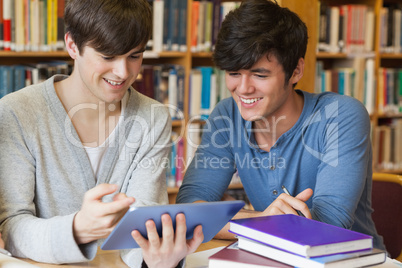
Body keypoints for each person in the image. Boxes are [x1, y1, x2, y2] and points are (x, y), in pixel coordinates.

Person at [0, 0, 202, 267]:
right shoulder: (16, 113)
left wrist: (156, 260)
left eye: (135, 56)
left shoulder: (153, 117)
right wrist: (77, 229)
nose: (123, 72)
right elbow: (11, 227)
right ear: (72, 45)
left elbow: (143, 222)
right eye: (107, 56)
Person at [176, 0, 385, 251]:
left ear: (296, 71)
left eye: (259, 75)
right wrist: (263, 220)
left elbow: (328, 225)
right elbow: (188, 209)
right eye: (233, 73)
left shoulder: (340, 115)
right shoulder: (226, 116)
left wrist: (232, 222)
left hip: (349, 261)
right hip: (272, 256)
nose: (243, 89)